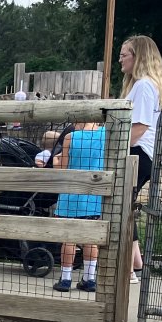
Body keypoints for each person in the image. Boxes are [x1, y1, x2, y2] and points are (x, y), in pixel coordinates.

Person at [120, 35, 162, 282]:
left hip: (137, 153)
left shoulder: (142, 85)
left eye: (125, 54)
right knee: (127, 206)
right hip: (146, 155)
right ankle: (137, 262)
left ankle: (127, 270)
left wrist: (116, 149)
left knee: (122, 208)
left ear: (138, 57)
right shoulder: (150, 85)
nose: (120, 58)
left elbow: (139, 126)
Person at [50, 122, 106, 292]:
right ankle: (89, 279)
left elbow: (64, 168)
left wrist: (55, 161)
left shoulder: (70, 137)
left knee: (69, 238)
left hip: (71, 193)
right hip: (94, 193)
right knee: (91, 240)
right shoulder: (105, 134)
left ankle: (66, 279)